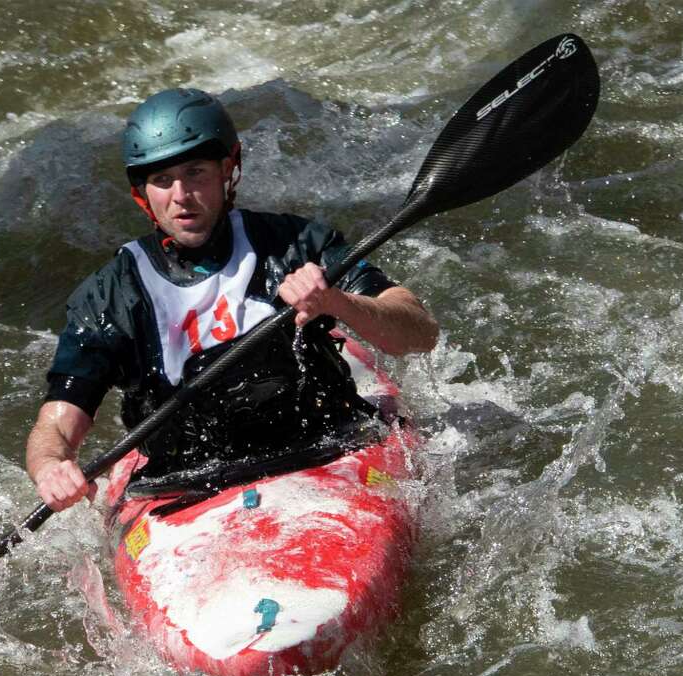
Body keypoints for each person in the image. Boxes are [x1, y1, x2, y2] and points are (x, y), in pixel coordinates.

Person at [27, 88, 438, 512]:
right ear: (142, 193)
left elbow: (419, 332)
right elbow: (57, 423)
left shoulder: (295, 245)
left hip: (327, 448)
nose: (181, 195)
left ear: (228, 169)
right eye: (163, 181)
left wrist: (338, 302)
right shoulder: (111, 295)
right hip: (187, 485)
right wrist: (51, 467)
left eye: (196, 173)